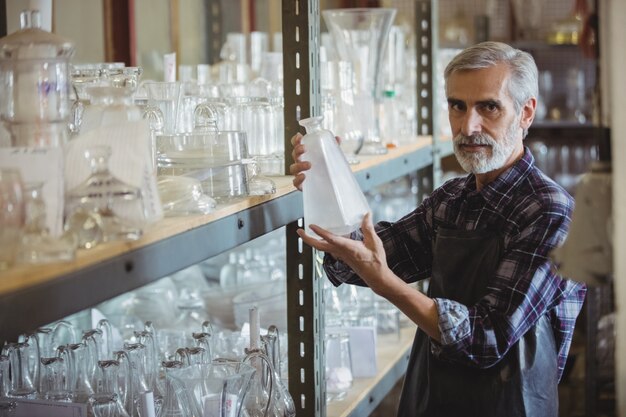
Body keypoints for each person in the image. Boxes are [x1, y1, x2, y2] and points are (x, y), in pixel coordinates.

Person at [289, 41, 586, 416]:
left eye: (488, 107)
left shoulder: (549, 212)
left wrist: (387, 285)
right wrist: (325, 181)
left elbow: (487, 339)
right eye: (457, 106)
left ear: (526, 113)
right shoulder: (452, 200)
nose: (468, 126)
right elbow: (358, 260)